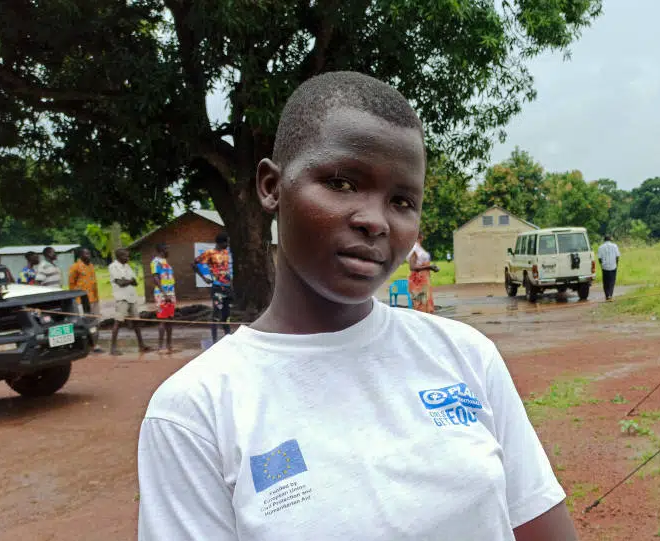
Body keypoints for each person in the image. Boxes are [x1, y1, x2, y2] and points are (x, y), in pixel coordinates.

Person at [137, 71, 576, 541]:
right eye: (342, 182)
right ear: (271, 186)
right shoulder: (197, 411)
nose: (375, 221)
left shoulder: (464, 357)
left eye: (402, 201)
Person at [108, 248, 151, 356]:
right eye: (125, 256)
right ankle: (112, 348)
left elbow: (135, 282)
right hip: (121, 297)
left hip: (132, 296)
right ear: (118, 257)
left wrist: (129, 281)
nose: (127, 258)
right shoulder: (113, 267)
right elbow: (120, 283)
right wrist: (130, 281)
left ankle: (141, 345)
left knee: (136, 321)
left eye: (128, 256)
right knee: (118, 322)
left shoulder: (127, 266)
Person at [193, 232, 233, 342]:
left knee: (227, 316)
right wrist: (204, 278)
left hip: (227, 289)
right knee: (216, 315)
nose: (228, 244)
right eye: (227, 242)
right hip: (217, 289)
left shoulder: (225, 253)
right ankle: (215, 341)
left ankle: (229, 339)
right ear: (221, 242)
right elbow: (194, 264)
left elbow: (226, 271)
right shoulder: (210, 254)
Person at [150, 243, 177, 353]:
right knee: (163, 320)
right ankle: (160, 347)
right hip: (162, 294)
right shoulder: (155, 262)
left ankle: (169, 345)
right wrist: (164, 294)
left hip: (170, 293)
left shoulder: (165, 262)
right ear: (162, 250)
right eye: (167, 249)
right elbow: (156, 279)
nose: (169, 251)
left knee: (170, 319)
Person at [405, 232, 439, 313]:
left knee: (425, 301)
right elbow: (412, 267)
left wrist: (429, 268)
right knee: (420, 302)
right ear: (421, 236)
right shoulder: (414, 248)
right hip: (418, 279)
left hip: (424, 278)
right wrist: (429, 267)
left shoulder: (419, 248)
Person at [597, 235, 620, 301]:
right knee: (612, 281)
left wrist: (601, 266)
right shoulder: (615, 246)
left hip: (605, 267)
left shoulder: (600, 247)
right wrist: (616, 264)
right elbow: (617, 256)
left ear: (604, 240)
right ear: (610, 239)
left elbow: (599, 258)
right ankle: (610, 295)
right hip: (613, 266)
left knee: (606, 282)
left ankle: (607, 295)